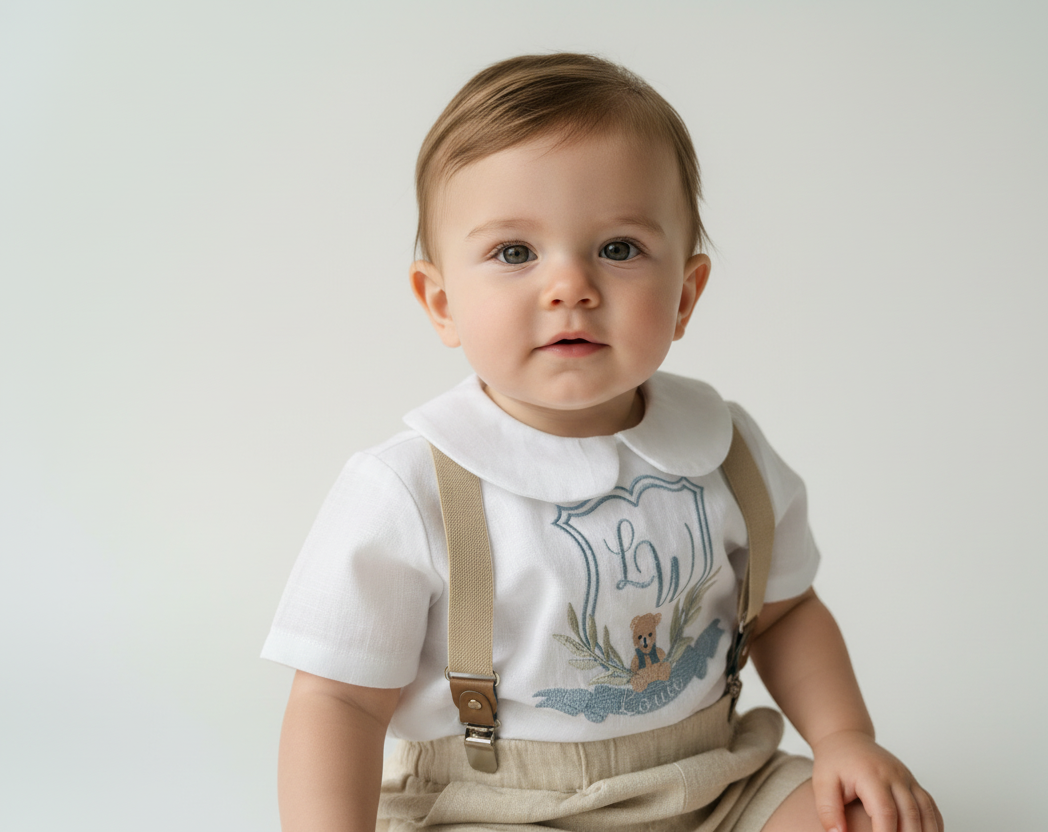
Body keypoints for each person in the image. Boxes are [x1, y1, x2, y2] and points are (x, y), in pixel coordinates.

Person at [263, 52, 942, 832]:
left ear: (685, 296)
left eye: (618, 248)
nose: (570, 287)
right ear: (441, 301)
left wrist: (845, 738)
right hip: (500, 806)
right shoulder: (410, 489)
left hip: (711, 781)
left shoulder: (727, 451)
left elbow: (786, 615)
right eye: (515, 252)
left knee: (862, 823)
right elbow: (339, 700)